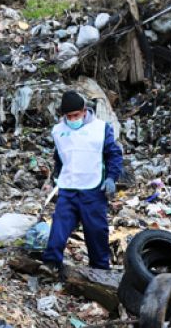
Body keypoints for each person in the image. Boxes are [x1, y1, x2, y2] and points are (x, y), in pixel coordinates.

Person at [41, 91, 124, 276]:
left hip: (93, 188)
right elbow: (60, 158)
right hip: (68, 186)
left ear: (84, 111)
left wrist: (111, 177)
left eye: (76, 115)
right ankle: (51, 262)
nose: (72, 119)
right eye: (68, 116)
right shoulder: (58, 131)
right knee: (59, 226)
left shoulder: (101, 129)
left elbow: (114, 154)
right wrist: (54, 178)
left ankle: (100, 269)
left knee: (96, 231)